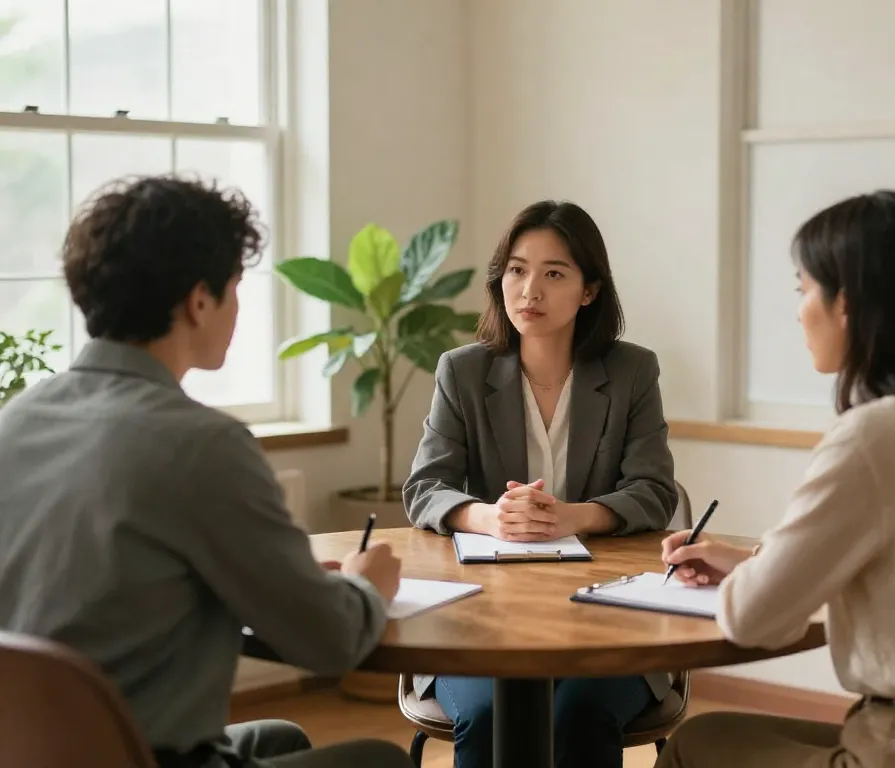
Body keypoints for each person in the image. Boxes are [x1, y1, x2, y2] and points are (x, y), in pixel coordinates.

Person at [0, 175, 415, 768]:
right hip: (145, 757)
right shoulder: (202, 444)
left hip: (33, 753)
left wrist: (289, 577)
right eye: (235, 289)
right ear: (199, 300)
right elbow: (329, 641)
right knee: (382, 759)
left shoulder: (18, 418)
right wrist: (366, 583)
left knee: (278, 738)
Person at [655, 190, 895, 768]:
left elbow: (754, 620)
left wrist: (754, 579)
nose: (800, 310)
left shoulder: (875, 436)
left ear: (845, 304)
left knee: (696, 744)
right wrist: (750, 562)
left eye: (803, 290)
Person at [403, 200, 678, 768]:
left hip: (606, 622)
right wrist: (490, 516)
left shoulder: (632, 372)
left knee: (579, 715)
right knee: (489, 717)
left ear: (589, 291)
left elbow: (654, 490)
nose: (530, 289)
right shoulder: (462, 371)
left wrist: (573, 515)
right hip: (479, 623)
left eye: (554, 273)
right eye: (517, 270)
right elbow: (425, 487)